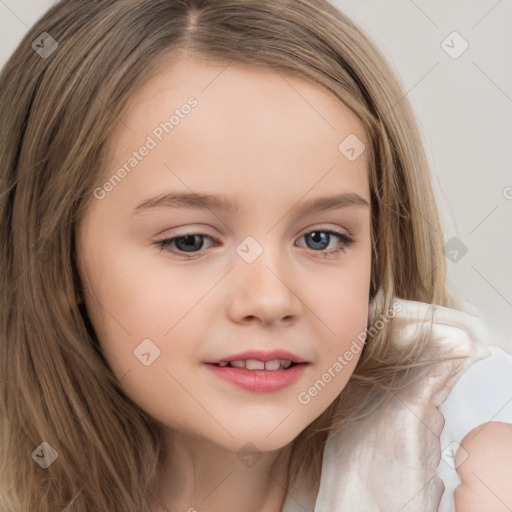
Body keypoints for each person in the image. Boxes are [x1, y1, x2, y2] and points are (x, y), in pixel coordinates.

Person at [0, 1, 510, 511]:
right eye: (190, 241)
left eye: (321, 238)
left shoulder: (459, 436)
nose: (269, 300)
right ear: (53, 260)